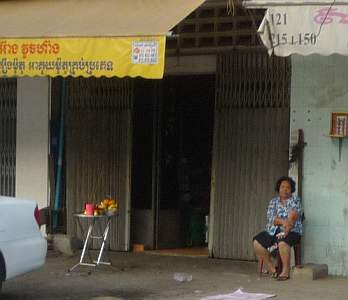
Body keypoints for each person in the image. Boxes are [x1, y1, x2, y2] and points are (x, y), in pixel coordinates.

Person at [252, 176, 303, 281]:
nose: (285, 189)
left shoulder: (295, 200)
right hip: (273, 230)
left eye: (288, 187)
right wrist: (283, 222)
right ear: (278, 189)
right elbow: (271, 218)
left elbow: (294, 214)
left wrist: (288, 225)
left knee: (282, 242)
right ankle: (272, 268)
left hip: (293, 231)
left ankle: (285, 271)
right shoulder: (273, 202)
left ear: (291, 189)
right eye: (282, 187)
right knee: (257, 242)